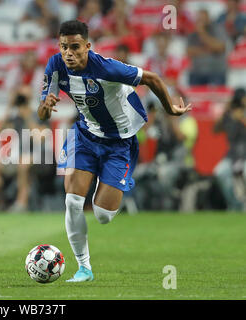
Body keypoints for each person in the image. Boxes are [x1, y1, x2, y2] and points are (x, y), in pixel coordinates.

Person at [38, 20, 191, 282]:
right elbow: (42, 115)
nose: (69, 53)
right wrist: (46, 105)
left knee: (103, 216)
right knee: (73, 201)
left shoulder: (107, 68)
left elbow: (152, 78)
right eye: (64, 47)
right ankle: (83, 268)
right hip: (85, 136)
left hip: (119, 142)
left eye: (75, 47)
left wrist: (169, 109)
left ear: (87, 46)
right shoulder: (55, 66)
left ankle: (107, 182)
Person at [213, 88, 246, 211]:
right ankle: (234, 204)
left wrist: (241, 118)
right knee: (220, 172)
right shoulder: (230, 114)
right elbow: (216, 129)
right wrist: (226, 111)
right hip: (232, 155)